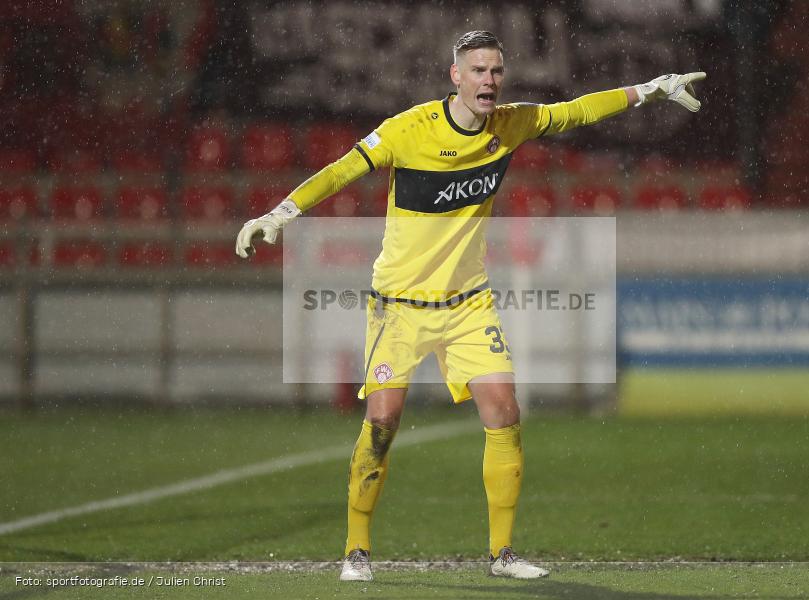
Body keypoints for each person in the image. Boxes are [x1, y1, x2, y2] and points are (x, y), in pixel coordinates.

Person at [236, 30, 705, 581]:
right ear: (455, 76)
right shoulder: (406, 131)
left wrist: (650, 89)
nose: (489, 80)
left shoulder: (510, 124)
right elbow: (341, 170)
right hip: (399, 306)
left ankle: (502, 555)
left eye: (496, 71)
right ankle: (356, 550)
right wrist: (280, 214)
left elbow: (576, 111)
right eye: (478, 70)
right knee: (382, 422)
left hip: (468, 304)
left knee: (505, 411)